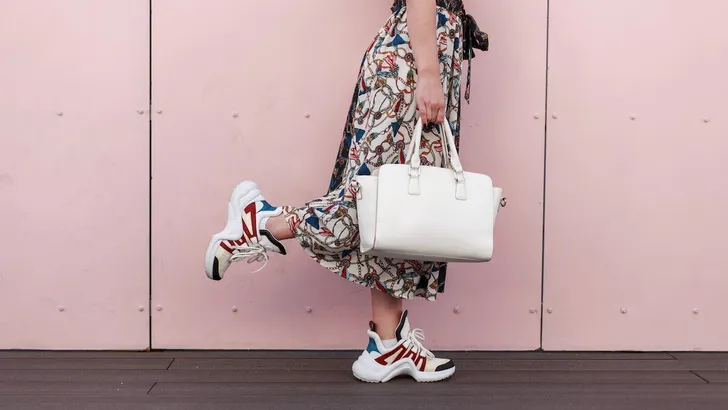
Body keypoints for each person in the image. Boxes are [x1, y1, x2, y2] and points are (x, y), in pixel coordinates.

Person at [203, 0, 488, 383]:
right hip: (415, 59)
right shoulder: (424, 60)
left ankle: (386, 346)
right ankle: (263, 222)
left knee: (402, 210)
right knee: (378, 198)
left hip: (422, 52)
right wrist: (429, 71)